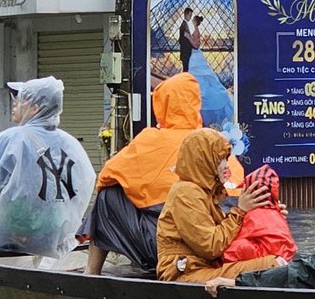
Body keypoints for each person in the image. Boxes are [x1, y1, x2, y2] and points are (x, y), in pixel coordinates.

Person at [85, 73, 243, 273]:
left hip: (170, 247)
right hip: (224, 235)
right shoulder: (211, 141)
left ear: (162, 104)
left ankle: (92, 271)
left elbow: (107, 176)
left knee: (107, 194)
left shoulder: (151, 140)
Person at [0, 76, 96, 259]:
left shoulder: (13, 138)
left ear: (35, 107)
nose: (15, 104)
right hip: (54, 235)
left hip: (8, 231)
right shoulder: (71, 144)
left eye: (20, 100)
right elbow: (84, 185)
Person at [156, 129, 280, 284]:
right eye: (222, 159)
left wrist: (266, 217)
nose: (227, 166)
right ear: (205, 160)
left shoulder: (207, 192)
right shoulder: (185, 193)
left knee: (274, 265)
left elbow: (227, 238)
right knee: (272, 267)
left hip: (205, 267)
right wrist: (240, 211)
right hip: (186, 274)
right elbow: (211, 246)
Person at [224, 164, 295, 263]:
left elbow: (231, 246)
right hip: (283, 256)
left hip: (266, 260)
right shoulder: (276, 213)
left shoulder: (252, 215)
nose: (225, 166)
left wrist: (240, 211)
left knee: (234, 247)